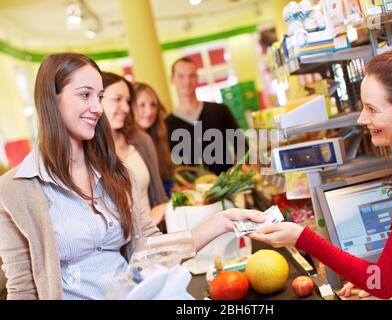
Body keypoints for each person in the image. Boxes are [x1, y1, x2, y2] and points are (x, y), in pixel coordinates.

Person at [0, 53, 264, 300]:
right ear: (50, 98)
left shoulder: (117, 172)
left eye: (100, 96)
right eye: (85, 95)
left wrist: (220, 223)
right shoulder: (14, 189)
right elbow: (22, 286)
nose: (97, 108)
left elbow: (151, 248)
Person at [250, 47, 392, 300]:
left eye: (372, 109)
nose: (361, 119)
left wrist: (303, 238)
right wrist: (372, 277)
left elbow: (385, 282)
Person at [100, 72, 167, 225]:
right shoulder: (86, 153)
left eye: (128, 101)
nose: (125, 108)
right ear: (96, 99)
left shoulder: (141, 140)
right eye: (117, 99)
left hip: (153, 238)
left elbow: (160, 198)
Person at [165, 57, 242, 176]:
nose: (187, 81)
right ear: (172, 79)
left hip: (227, 186)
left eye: (191, 75)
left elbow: (241, 146)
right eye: (181, 76)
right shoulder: (167, 125)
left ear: (197, 78)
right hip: (191, 191)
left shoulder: (220, 110)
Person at [133, 82, 174, 197]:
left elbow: (166, 182)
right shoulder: (128, 146)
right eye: (142, 105)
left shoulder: (158, 137)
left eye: (153, 105)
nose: (150, 111)